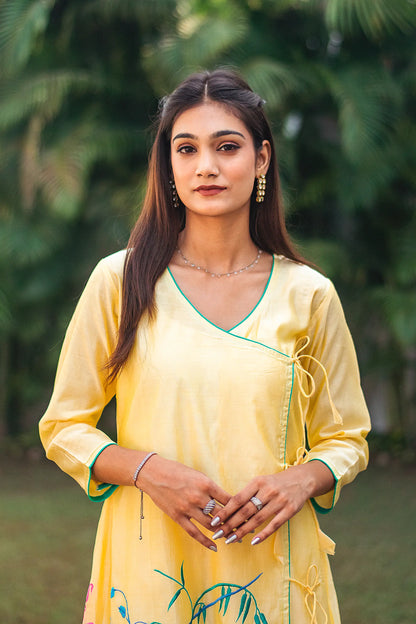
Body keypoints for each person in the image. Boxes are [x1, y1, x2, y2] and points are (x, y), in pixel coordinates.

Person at [39, 69, 370, 624]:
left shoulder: (308, 294)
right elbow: (63, 427)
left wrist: (300, 480)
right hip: (149, 564)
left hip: (273, 566)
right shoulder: (120, 282)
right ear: (168, 166)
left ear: (262, 159)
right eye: (186, 148)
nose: (206, 166)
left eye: (227, 147)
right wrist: (145, 469)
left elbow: (347, 439)